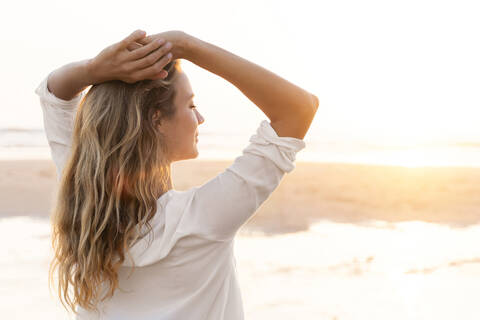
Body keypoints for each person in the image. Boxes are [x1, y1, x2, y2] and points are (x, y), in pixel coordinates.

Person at [37, 29, 318, 319]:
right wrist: (187, 46)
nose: (200, 118)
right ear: (156, 120)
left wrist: (94, 69)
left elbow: (54, 93)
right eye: (191, 105)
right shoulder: (202, 219)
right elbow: (298, 108)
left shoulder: (83, 197)